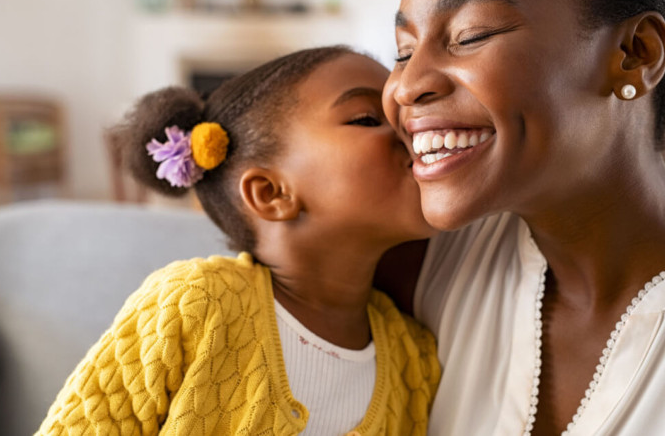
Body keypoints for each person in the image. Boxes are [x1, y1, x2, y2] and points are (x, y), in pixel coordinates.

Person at [36, 46, 440, 436]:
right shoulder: (194, 304)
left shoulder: (414, 359)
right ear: (271, 193)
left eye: (404, 115)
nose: (412, 129)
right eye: (367, 118)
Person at [380, 0, 665, 434]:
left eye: (471, 35)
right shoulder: (423, 264)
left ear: (635, 54)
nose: (406, 87)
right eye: (403, 52)